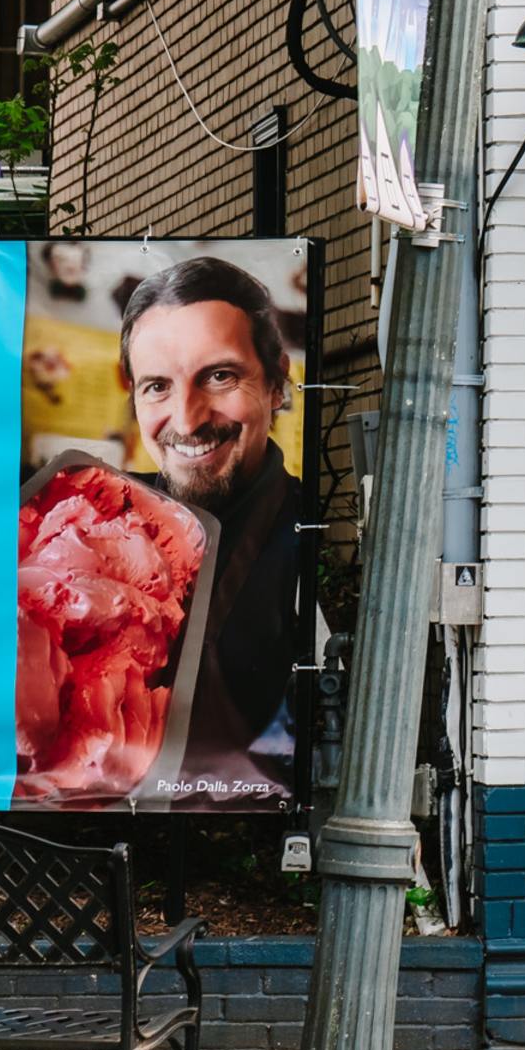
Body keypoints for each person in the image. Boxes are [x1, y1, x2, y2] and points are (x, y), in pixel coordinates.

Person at [119, 254, 312, 807]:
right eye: (157, 386)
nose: (186, 419)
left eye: (220, 376)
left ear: (278, 384)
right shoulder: (102, 517)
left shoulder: (309, 532)